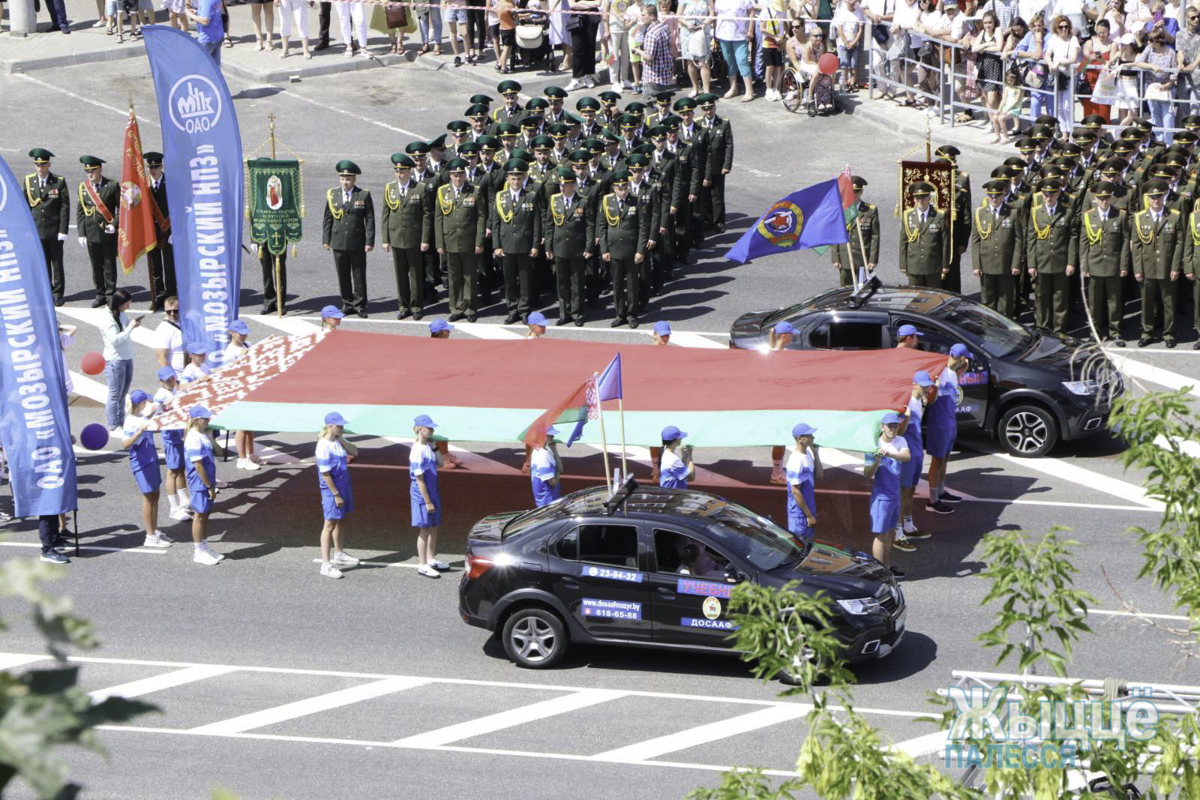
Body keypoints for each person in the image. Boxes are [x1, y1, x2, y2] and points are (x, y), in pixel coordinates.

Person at [381, 153, 433, 321]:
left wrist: (425, 239)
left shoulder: (419, 188)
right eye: (397, 171)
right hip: (396, 237)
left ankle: (416, 306)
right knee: (400, 275)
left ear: (409, 171)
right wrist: (385, 239)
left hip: (414, 238)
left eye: (402, 171)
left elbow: (426, 215)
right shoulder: (390, 188)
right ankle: (403, 306)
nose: (399, 174)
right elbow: (385, 215)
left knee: (416, 275)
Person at [1130, 179, 1182, 347]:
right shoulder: (1139, 218)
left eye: (1159, 196)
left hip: (1167, 267)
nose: (1156, 200)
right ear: (1148, 198)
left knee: (1168, 302)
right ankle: (1147, 332)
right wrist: (1137, 268)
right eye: (1152, 197)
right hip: (1147, 267)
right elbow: (1136, 245)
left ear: (1164, 196)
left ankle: (1169, 333)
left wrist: (1175, 267)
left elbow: (1179, 243)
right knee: (1147, 302)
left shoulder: (1174, 216)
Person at [434, 158, 487, 322]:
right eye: (455, 175)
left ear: (465, 174)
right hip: (450, 240)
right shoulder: (442, 191)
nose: (458, 178)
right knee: (454, 276)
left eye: (461, 174)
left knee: (469, 276)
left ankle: (470, 309)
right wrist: (439, 243)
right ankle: (456, 308)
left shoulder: (474, 191)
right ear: (450, 175)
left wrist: (479, 241)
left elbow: (481, 217)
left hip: (469, 241)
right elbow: (438, 218)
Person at [491, 158, 543, 325]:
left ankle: (524, 310)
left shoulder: (530, 196)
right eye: (512, 178)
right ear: (507, 178)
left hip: (525, 245)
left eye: (519, 178)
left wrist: (535, 245)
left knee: (525, 280)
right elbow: (496, 223)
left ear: (523, 178)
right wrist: (496, 246)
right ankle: (512, 309)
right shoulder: (501, 197)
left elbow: (536, 222)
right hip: (506, 246)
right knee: (510, 280)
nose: (515, 181)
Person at [1078, 180, 1130, 344]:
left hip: (1113, 265)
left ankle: (1115, 331)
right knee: (1094, 302)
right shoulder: (1088, 216)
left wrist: (1123, 265)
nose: (1103, 201)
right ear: (1095, 199)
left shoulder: (1120, 215)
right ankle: (1095, 331)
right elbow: (1084, 243)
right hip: (1094, 265)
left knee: (1114, 301)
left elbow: (1124, 242)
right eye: (1100, 198)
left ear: (1111, 197)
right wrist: (1084, 266)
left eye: (1106, 198)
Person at [322, 160, 376, 318]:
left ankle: (359, 304)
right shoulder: (333, 194)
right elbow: (328, 218)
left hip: (357, 242)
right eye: (342, 178)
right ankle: (347, 303)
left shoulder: (363, 194)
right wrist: (326, 239)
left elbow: (370, 219)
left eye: (348, 179)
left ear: (354, 180)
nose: (345, 182)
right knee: (343, 275)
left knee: (359, 275)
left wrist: (369, 241)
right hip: (338, 241)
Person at [122, 390, 174, 549]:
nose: (149, 403)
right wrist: (140, 431)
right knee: (148, 498)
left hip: (151, 459)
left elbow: (150, 422)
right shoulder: (131, 421)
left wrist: (159, 410)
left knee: (155, 495)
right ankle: (149, 536)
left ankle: (155, 530)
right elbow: (125, 444)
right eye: (147, 401)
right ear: (142, 403)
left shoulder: (141, 417)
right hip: (141, 463)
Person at [544, 166, 595, 327]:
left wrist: (588, 248)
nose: (562, 187)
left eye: (565, 184)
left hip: (577, 248)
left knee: (577, 283)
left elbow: (589, 227)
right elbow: (549, 225)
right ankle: (564, 313)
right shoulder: (554, 200)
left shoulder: (583, 201)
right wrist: (548, 247)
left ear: (573, 185)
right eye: (561, 184)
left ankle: (577, 313)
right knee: (562, 282)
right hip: (559, 247)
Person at [863, 411, 912, 576]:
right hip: (881, 497)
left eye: (895, 426)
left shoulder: (900, 440)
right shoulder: (873, 445)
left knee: (890, 532)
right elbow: (867, 473)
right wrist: (877, 461)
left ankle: (887, 568)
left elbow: (907, 456)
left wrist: (890, 454)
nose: (893, 429)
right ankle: (879, 572)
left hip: (894, 495)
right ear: (881, 427)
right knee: (880, 534)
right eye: (890, 426)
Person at [925, 343, 970, 515]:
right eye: (965, 358)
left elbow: (953, 379)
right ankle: (932, 499)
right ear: (960, 357)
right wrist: (934, 388)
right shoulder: (940, 372)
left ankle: (941, 491)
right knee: (937, 460)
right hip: (939, 422)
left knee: (945, 457)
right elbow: (930, 400)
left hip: (950, 420)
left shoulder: (951, 372)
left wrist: (963, 370)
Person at [1026, 178, 1075, 335]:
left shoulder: (1067, 211)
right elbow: (1031, 239)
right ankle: (1043, 328)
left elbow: (1072, 238)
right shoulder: (1035, 212)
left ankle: (1060, 330)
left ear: (1058, 193)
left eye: (1052, 194)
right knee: (1041, 299)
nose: (1048, 197)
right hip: (1041, 262)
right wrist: (1031, 264)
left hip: (1061, 262)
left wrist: (1071, 262)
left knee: (1060, 298)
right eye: (1046, 194)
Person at [315, 411, 360, 579]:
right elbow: (325, 474)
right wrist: (336, 494)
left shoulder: (337, 441)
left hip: (343, 486)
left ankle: (339, 553)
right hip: (332, 490)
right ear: (329, 426)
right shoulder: (323, 445)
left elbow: (355, 452)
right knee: (329, 524)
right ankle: (326, 565)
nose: (342, 427)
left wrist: (341, 439)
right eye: (339, 425)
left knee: (341, 520)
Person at [971, 179, 1023, 318]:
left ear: (1003, 195)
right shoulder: (980, 213)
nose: (994, 199)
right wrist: (976, 265)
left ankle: (1006, 329)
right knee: (988, 300)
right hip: (986, 263)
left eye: (997, 196)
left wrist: (1016, 263)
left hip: (1006, 264)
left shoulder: (1012, 212)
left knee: (1005, 300)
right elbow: (975, 241)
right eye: (991, 196)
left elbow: (1018, 240)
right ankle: (989, 328)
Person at [25, 149, 70, 307]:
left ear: (48, 165)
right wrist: (27, 230)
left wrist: (63, 230)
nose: (40, 168)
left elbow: (64, 207)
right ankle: (46, 292)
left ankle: (58, 293)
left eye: (43, 164)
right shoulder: (29, 181)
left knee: (56, 263)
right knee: (43, 263)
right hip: (37, 231)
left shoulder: (58, 181)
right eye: (37, 164)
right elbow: (26, 207)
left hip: (54, 230)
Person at [76, 156, 120, 309]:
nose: (90, 174)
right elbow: (80, 212)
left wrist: (114, 224)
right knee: (96, 266)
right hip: (91, 233)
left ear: (100, 169)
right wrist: (81, 233)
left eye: (93, 170)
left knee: (109, 265)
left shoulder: (112, 185)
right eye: (87, 171)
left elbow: (121, 209)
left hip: (107, 232)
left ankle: (110, 294)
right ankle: (100, 294)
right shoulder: (83, 188)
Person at [184, 406, 225, 566]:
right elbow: (198, 466)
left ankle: (204, 546)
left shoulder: (202, 435)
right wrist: (209, 486)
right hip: (200, 482)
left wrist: (212, 439)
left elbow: (220, 453)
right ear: (196, 419)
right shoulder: (193, 437)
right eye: (205, 418)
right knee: (199, 516)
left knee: (206, 514)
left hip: (207, 481)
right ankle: (198, 551)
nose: (208, 420)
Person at [896, 370, 933, 543]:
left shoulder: (919, 401)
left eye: (928, 386)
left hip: (917, 451)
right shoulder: (907, 403)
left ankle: (909, 526)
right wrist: (906, 418)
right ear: (914, 385)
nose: (927, 389)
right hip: (907, 453)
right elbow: (899, 431)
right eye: (924, 386)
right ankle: (897, 533)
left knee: (910, 491)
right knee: (902, 492)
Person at [410, 413, 448, 579]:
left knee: (433, 526)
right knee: (424, 528)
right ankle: (422, 564)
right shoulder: (417, 451)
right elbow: (419, 479)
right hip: (422, 495)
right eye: (429, 427)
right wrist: (427, 501)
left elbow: (441, 463)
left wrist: (435, 448)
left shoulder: (427, 447)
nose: (432, 430)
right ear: (420, 429)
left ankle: (431, 559)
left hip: (433, 491)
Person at [153, 366, 192, 522]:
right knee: (173, 471)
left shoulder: (174, 390)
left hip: (180, 434)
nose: (171, 381)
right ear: (161, 381)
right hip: (171, 436)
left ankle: (184, 501)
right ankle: (174, 507)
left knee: (181, 469)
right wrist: (161, 406)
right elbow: (154, 411)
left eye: (172, 377)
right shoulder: (161, 394)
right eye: (167, 379)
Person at [899, 181, 951, 289]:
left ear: (929, 198)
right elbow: (903, 243)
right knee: (915, 298)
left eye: (923, 197)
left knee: (933, 298)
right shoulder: (907, 216)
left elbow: (945, 243)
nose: (920, 200)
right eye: (917, 198)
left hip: (933, 266)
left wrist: (945, 265)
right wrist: (903, 264)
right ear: (913, 199)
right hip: (914, 266)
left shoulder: (939, 216)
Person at [830, 176, 880, 287]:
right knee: (846, 291)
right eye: (851, 192)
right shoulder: (841, 209)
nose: (854, 195)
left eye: (856, 192)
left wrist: (873, 259)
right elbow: (835, 234)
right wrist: (835, 257)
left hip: (864, 259)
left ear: (861, 192)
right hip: (845, 258)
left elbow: (875, 236)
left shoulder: (870, 210)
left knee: (865, 290)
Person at [101, 289, 138, 433]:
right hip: (115, 360)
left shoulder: (120, 313)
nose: (128, 307)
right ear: (119, 303)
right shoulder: (107, 319)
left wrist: (132, 325)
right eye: (127, 304)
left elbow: (125, 327)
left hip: (126, 357)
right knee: (115, 394)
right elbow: (115, 340)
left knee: (123, 393)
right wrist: (130, 328)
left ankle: (121, 421)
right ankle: (113, 424)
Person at [1132, 27, 1178, 143]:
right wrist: (1151, 66)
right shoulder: (1149, 49)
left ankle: (1168, 143)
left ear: (1158, 41)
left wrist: (1167, 85)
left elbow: (1175, 71)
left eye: (1151, 40)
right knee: (1155, 116)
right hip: (1152, 87)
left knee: (1168, 117)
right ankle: (1159, 141)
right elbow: (1138, 62)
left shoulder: (1171, 52)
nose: (1148, 42)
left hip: (1166, 89)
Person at [971, 12, 1006, 142]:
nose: (987, 25)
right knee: (986, 97)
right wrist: (986, 45)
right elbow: (975, 48)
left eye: (989, 22)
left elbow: (998, 46)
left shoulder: (998, 30)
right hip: (983, 66)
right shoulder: (982, 33)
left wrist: (983, 48)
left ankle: (995, 123)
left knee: (993, 99)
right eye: (985, 23)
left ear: (994, 22)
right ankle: (994, 123)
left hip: (994, 66)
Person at [784, 422, 822, 541]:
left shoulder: (808, 455)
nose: (813, 438)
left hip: (807, 511)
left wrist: (816, 453)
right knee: (799, 547)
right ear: (800, 438)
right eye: (810, 435)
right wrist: (809, 515)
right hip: (800, 515)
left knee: (807, 545)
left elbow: (820, 475)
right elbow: (795, 491)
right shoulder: (796, 460)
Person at [715, 0, 757, 102]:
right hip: (723, 34)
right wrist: (715, 33)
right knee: (729, 61)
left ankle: (749, 91)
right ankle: (733, 88)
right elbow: (716, 15)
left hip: (741, 34)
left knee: (742, 60)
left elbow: (751, 12)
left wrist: (750, 30)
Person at [565, 0, 602, 91]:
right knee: (577, 49)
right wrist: (588, 5)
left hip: (591, 18)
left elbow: (597, 3)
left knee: (590, 47)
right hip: (577, 18)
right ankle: (577, 78)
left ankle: (588, 75)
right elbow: (572, 4)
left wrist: (581, 2)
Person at [680, 0, 714, 96]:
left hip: (703, 31)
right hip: (688, 32)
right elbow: (679, 16)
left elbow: (712, 14)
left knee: (704, 62)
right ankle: (695, 89)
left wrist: (704, 23)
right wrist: (687, 24)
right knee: (691, 61)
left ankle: (706, 90)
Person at [530, 425, 564, 506]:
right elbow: (553, 482)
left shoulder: (541, 451)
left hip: (548, 501)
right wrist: (558, 473)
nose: (553, 436)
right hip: (548, 502)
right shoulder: (543, 456)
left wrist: (554, 449)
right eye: (550, 435)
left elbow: (561, 469)